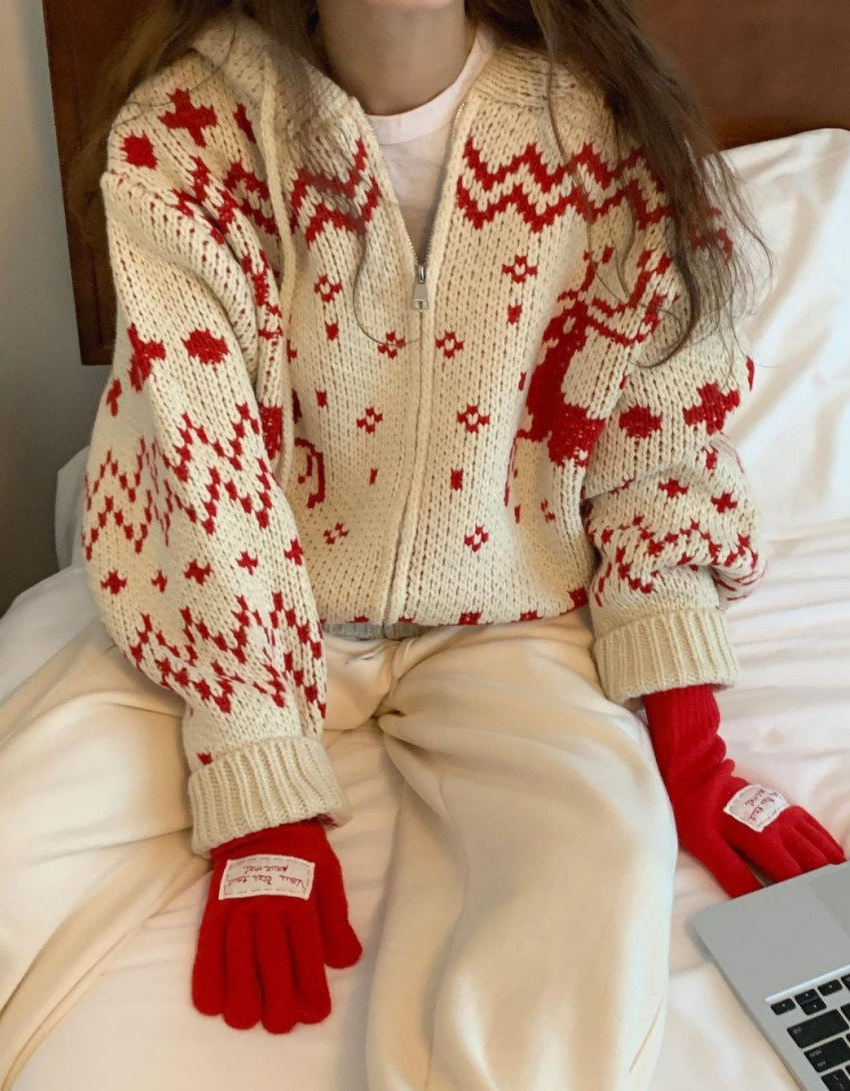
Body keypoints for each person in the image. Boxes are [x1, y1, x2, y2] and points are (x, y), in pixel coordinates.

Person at [75, 1, 846, 1087]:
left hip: (514, 619)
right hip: (251, 615)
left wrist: (685, 738)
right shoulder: (188, 135)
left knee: (597, 863)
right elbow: (198, 463)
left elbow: (658, 438)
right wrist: (257, 785)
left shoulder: (608, 133)